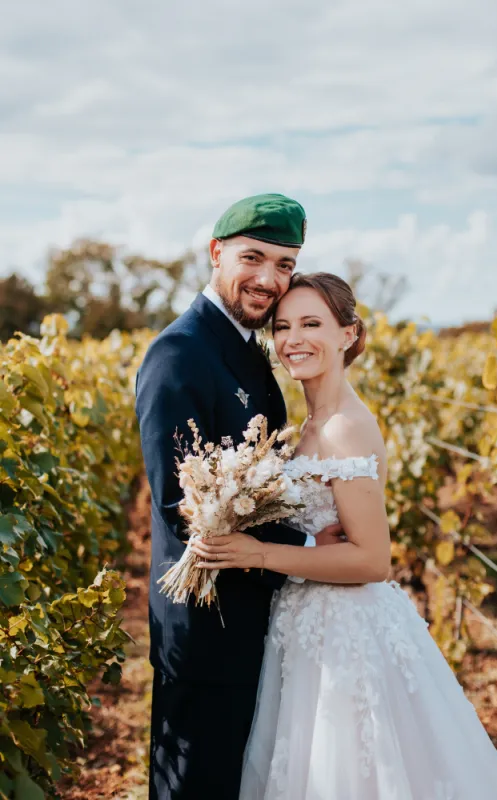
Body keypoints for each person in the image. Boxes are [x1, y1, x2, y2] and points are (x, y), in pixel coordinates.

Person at [192, 272, 497, 799]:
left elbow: (373, 560)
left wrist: (258, 552)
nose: (293, 339)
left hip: (346, 631)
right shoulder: (306, 424)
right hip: (305, 622)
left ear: (348, 335)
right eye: (283, 326)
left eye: (311, 323)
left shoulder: (343, 427)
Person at [135, 195, 342, 800]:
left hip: (253, 610)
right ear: (216, 252)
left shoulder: (246, 348)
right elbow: (185, 506)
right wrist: (307, 545)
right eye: (254, 258)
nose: (269, 280)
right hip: (208, 623)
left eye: (285, 264)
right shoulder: (179, 354)